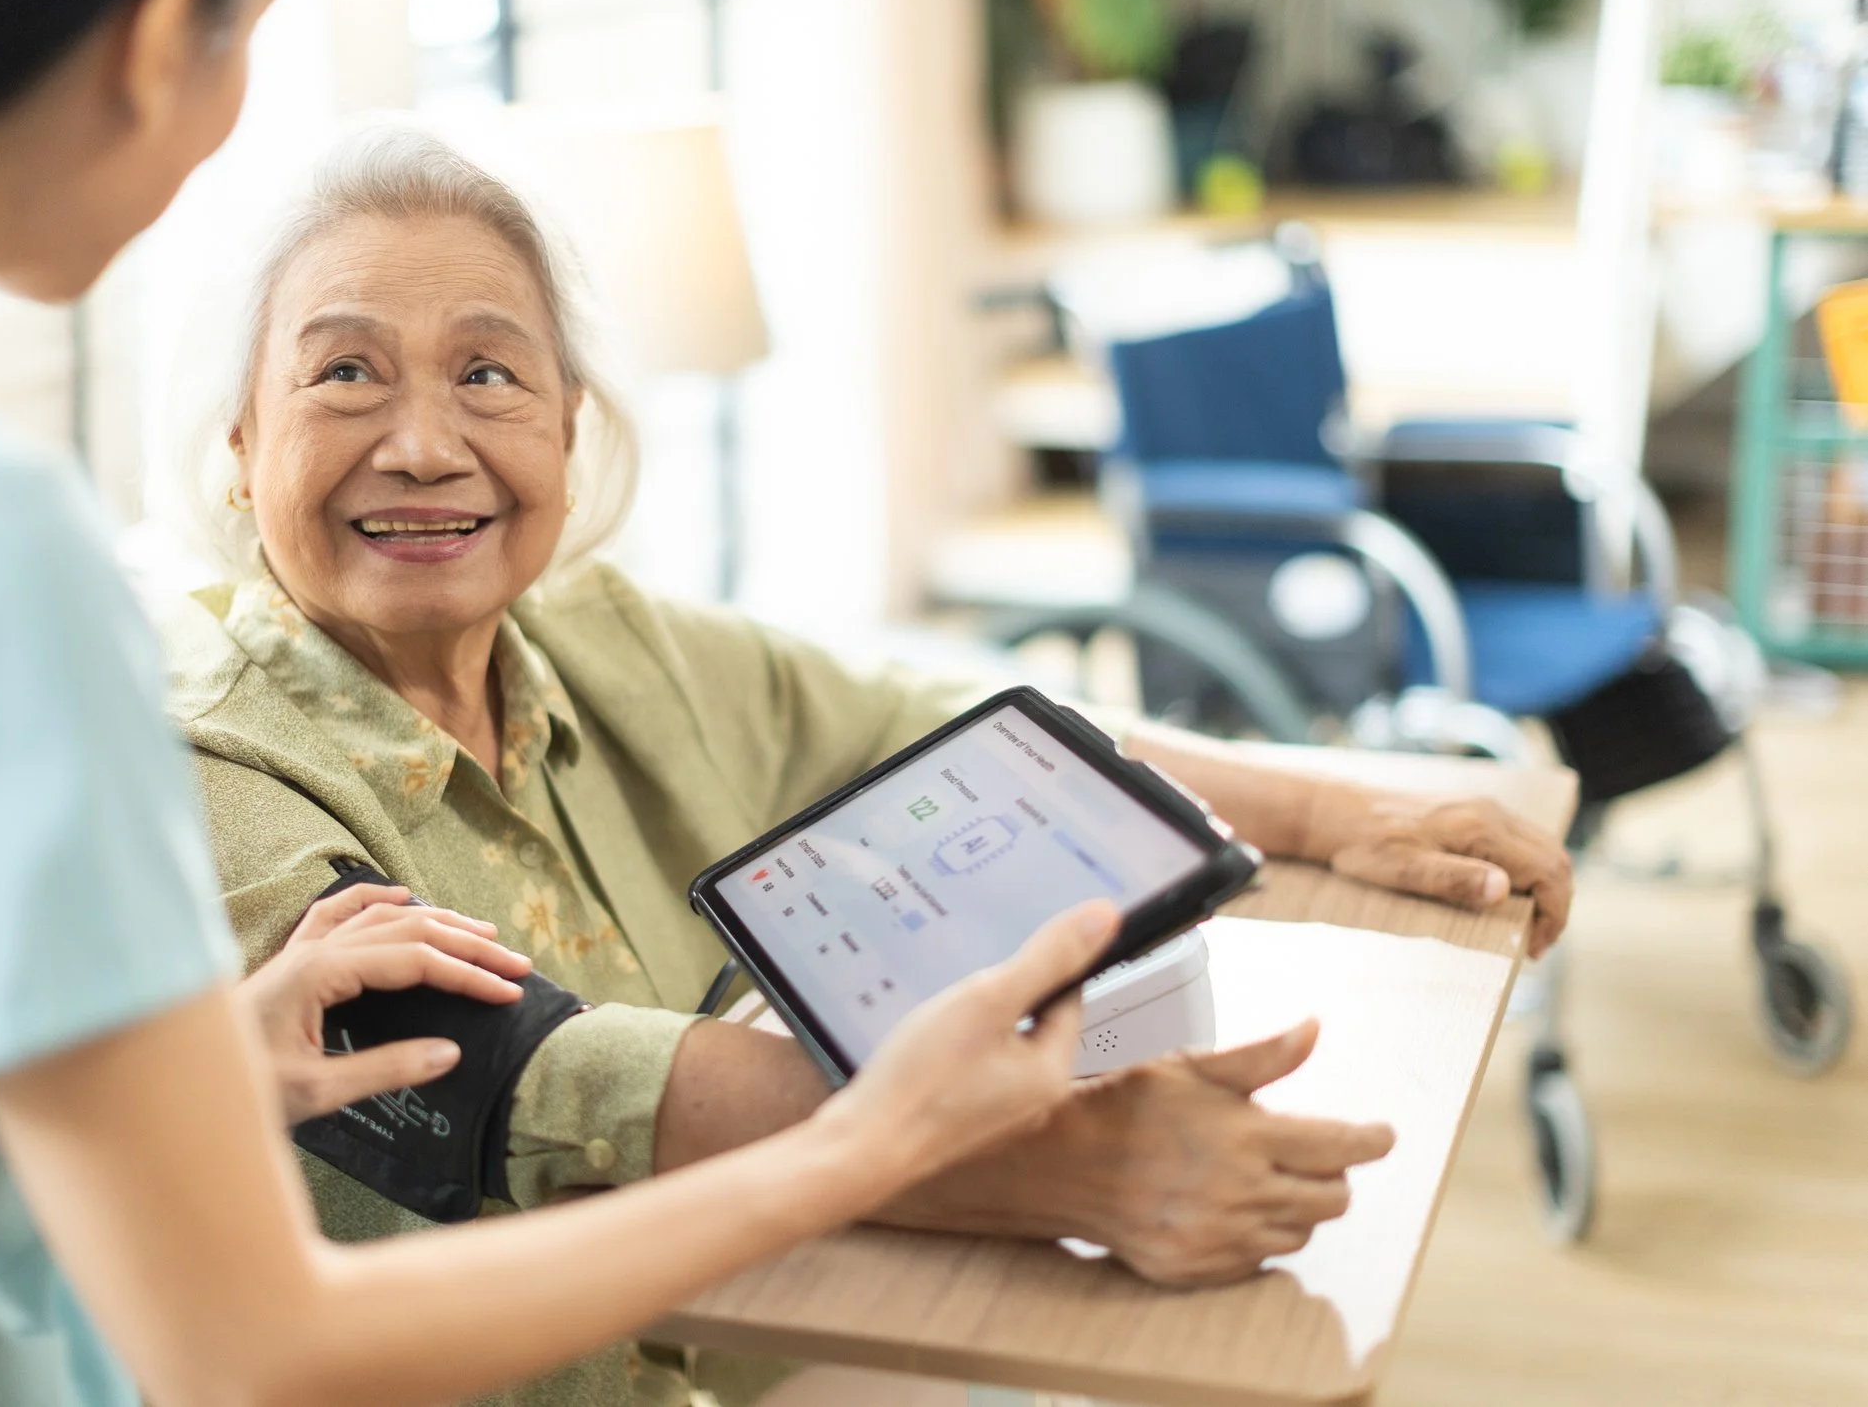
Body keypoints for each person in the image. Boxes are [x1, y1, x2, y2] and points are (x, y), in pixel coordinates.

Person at [0, 0, 1144, 1405]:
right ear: (164, 37)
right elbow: (249, 1347)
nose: (423, 447)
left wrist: (206, 1078)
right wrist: (861, 1144)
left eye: (486, 375)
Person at [148, 125, 1573, 1407]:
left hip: (768, 1342)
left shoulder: (593, 635)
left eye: (486, 373)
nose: (421, 443)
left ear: (567, 429)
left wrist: (1334, 804)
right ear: (240, 439)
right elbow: (512, 1068)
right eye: (344, 373)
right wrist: (1068, 1163)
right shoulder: (200, 760)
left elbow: (938, 717)